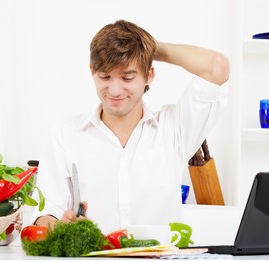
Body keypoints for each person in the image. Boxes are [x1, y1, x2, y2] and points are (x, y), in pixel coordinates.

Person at [31, 19, 229, 234]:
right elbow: (43, 214)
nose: (115, 90)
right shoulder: (66, 135)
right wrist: (61, 226)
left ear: (148, 75)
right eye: (105, 77)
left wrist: (149, 48)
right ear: (92, 72)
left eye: (127, 77)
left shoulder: (174, 128)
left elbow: (217, 67)